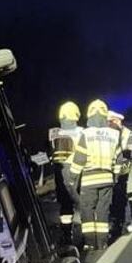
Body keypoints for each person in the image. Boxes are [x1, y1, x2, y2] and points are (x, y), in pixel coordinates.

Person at [70, 99, 121, 250]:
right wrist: (115, 177)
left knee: (87, 211)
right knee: (103, 211)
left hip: (89, 180)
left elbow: (79, 159)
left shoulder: (85, 134)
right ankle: (103, 242)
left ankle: (90, 243)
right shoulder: (114, 134)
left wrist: (73, 179)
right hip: (107, 179)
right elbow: (119, 159)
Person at [49, 101, 83, 246]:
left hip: (59, 171)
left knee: (65, 206)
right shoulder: (82, 132)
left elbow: (50, 150)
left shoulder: (53, 132)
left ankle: (67, 235)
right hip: (76, 170)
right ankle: (85, 236)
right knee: (82, 204)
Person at [107, 110, 132, 237]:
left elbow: (130, 153)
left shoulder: (128, 134)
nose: (108, 124)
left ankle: (125, 223)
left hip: (123, 167)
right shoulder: (109, 132)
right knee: (111, 195)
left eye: (111, 121)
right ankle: (115, 221)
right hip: (110, 167)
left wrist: (120, 157)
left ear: (118, 121)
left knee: (121, 192)